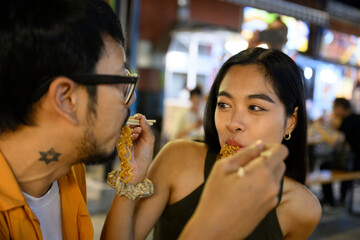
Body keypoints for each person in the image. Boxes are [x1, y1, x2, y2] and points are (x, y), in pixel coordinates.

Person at [1, 1, 289, 239]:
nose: (130, 100)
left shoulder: (66, 173)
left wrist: (130, 182)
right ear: (66, 98)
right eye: (120, 84)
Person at [102, 48, 321, 240]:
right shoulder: (179, 159)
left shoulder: (302, 208)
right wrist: (130, 179)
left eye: (255, 107)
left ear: (291, 122)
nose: (233, 123)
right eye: (224, 104)